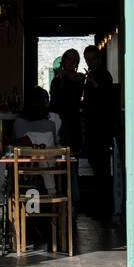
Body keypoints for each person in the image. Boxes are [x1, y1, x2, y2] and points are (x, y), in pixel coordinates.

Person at [81, 44, 118, 214]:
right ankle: (100, 203)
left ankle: (104, 204)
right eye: (88, 59)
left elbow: (107, 98)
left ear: (99, 58)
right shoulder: (91, 76)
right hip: (92, 127)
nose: (91, 62)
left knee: (102, 166)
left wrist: (93, 83)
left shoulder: (104, 75)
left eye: (93, 58)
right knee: (96, 164)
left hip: (102, 128)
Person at [48, 48, 84, 153]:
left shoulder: (80, 77)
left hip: (72, 124)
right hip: (56, 123)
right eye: (69, 59)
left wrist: (63, 73)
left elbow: (76, 79)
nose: (71, 62)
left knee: (73, 157)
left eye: (75, 60)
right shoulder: (56, 80)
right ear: (63, 60)